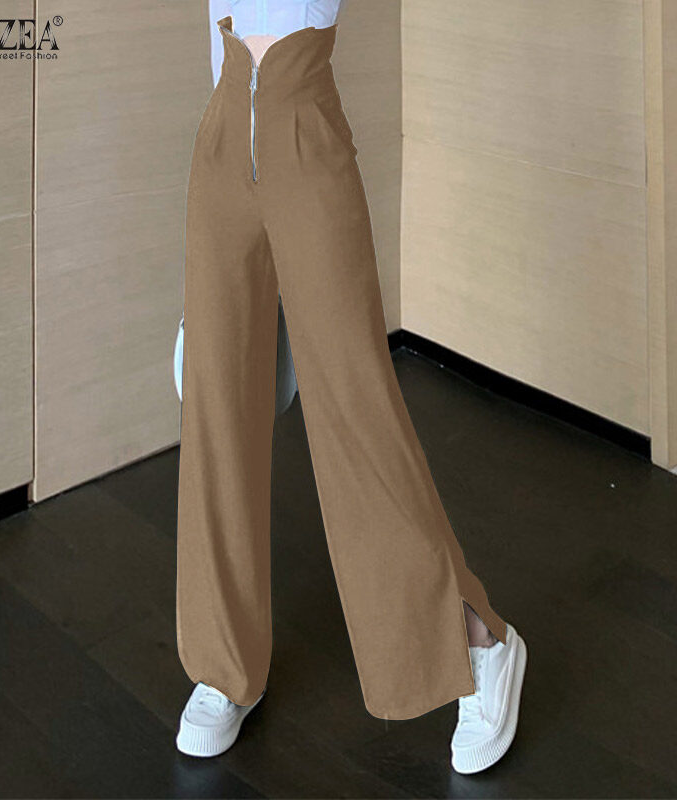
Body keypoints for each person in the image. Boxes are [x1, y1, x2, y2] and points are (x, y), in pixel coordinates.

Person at [175, 0, 527, 775]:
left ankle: (478, 641)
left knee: (353, 405)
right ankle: (224, 663)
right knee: (216, 406)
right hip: (223, 123)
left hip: (304, 117)